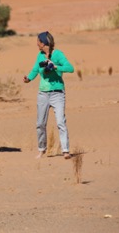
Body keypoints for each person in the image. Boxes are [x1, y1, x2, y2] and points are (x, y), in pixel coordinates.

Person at [23, 31, 74, 159]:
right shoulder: (39, 56)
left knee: (61, 122)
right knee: (40, 123)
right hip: (43, 94)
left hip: (57, 94)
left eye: (38, 42)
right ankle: (41, 149)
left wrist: (56, 67)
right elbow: (35, 69)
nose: (37, 44)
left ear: (43, 43)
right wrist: (28, 79)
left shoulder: (58, 54)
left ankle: (65, 150)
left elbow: (70, 68)